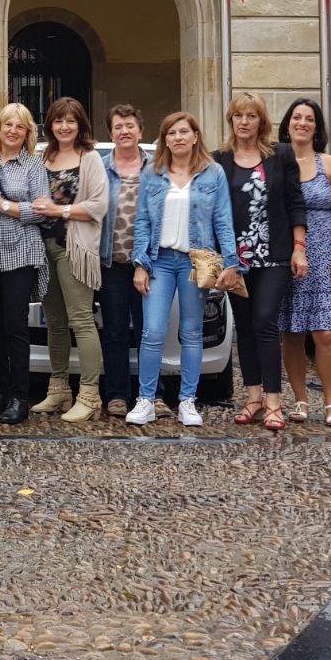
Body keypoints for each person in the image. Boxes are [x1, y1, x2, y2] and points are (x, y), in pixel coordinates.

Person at [130, 111, 240, 428]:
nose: (177, 138)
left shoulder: (212, 173)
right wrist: (140, 264)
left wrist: (231, 262)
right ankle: (146, 400)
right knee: (152, 331)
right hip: (159, 261)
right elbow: (142, 222)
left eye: (183, 132)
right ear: (164, 139)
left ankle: (188, 401)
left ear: (194, 136)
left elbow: (223, 220)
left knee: (191, 332)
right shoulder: (152, 172)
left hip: (196, 262)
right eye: (171, 133)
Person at [214, 94, 308, 432]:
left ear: (261, 121)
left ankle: (272, 399)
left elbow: (295, 202)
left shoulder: (281, 155)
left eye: (251, 116)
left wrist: (299, 248)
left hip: (275, 255)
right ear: (231, 120)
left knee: (265, 320)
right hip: (235, 261)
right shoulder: (219, 160)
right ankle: (253, 396)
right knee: (245, 325)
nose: (243, 122)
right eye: (238, 115)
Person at [277, 98, 331, 426]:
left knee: (325, 334)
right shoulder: (277, 162)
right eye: (296, 117)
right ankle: (299, 400)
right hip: (288, 255)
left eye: (309, 119)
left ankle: (330, 403)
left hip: (325, 257)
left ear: (317, 127)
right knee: (292, 332)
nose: (302, 123)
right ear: (287, 124)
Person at [30, 97, 108, 423]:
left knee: (82, 321)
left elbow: (98, 205)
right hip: (43, 249)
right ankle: (59, 388)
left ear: (80, 125)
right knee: (56, 324)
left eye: (71, 121)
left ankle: (89, 395)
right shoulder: (42, 157)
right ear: (50, 124)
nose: (64, 126)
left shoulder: (89, 158)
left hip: (73, 249)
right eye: (58, 120)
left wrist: (59, 210)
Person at [0, 103, 48, 424]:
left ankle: (20, 396)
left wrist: (1, 204)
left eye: (20, 126)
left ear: (27, 132)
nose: (13, 131)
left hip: (21, 251)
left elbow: (40, 210)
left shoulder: (34, 165)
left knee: (15, 326)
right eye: (8, 125)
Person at [98, 104, 151, 419]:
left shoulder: (157, 167)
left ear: (140, 130)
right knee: (115, 330)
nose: (124, 131)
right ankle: (117, 394)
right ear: (112, 133)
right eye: (118, 127)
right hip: (113, 264)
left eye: (130, 125)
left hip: (150, 264)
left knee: (150, 331)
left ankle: (152, 394)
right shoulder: (101, 167)